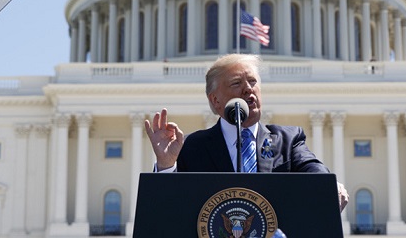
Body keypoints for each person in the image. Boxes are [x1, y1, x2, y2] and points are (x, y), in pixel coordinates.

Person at [144, 53, 349, 211]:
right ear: (215, 100)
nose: (248, 89)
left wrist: (328, 185)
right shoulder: (190, 147)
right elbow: (166, 208)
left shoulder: (288, 140)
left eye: (253, 82)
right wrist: (166, 165)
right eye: (236, 83)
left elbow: (311, 168)